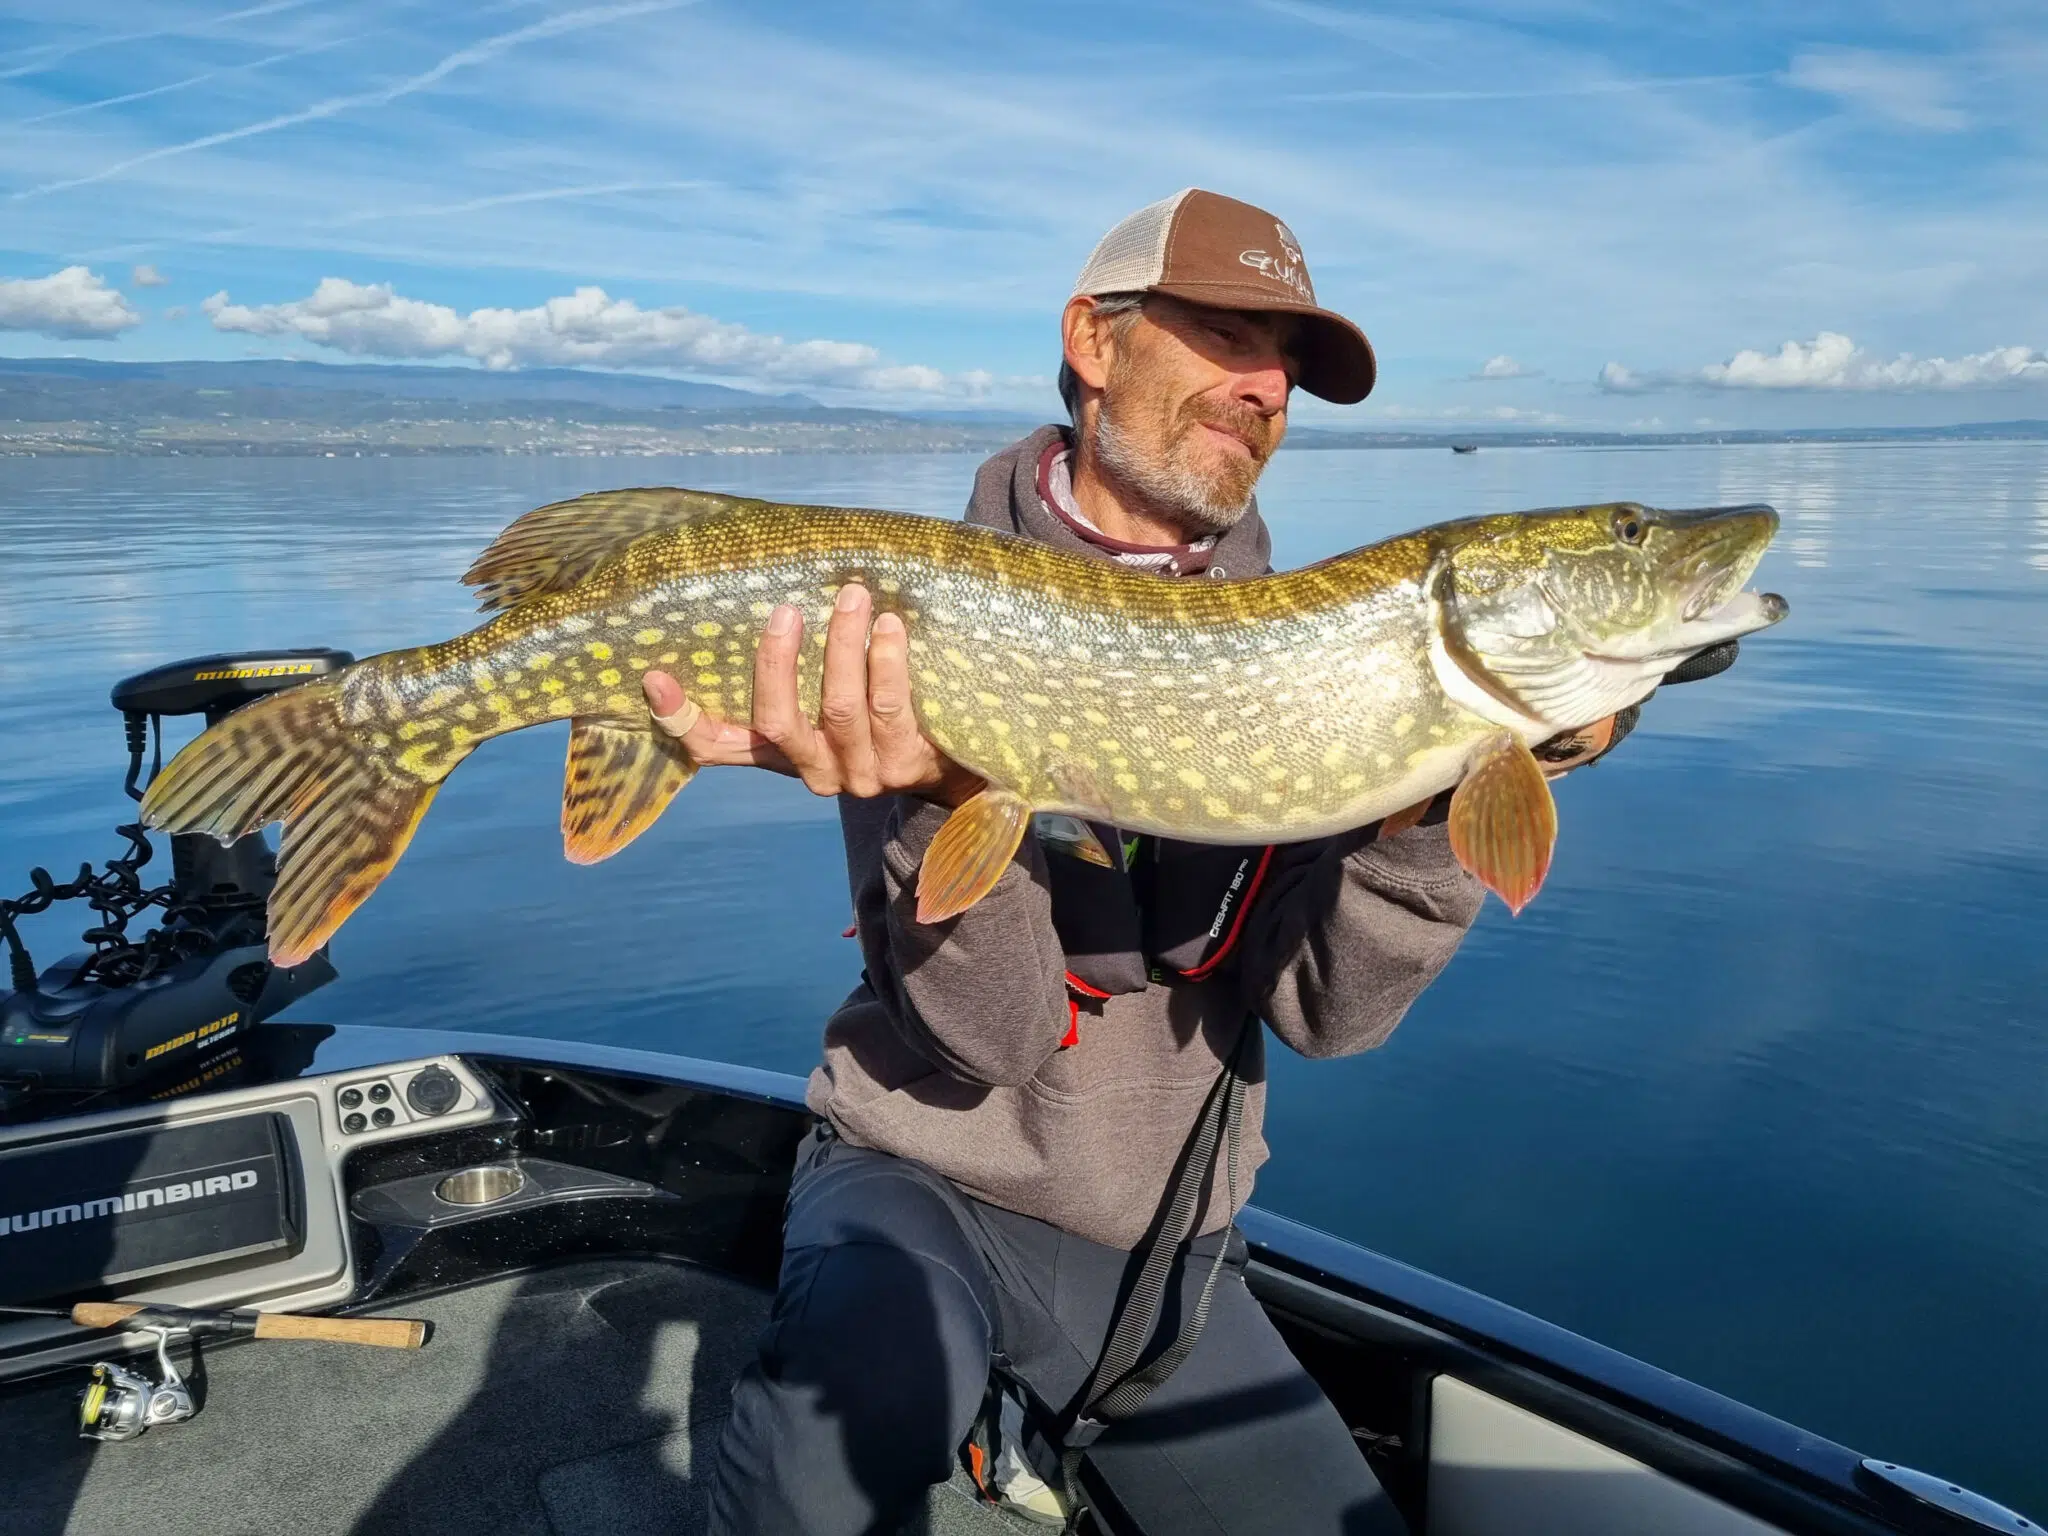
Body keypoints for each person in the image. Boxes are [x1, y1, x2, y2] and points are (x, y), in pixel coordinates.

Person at [640, 189, 1622, 1535]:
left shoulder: (1332, 657)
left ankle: (1025, 1417)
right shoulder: (916, 620)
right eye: (1225, 333)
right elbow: (986, 1041)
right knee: (832, 1462)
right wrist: (935, 789)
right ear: (1093, 342)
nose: (1265, 387)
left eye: (1287, 365)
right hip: (920, 1183)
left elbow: (1327, 1016)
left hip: (1162, 1251)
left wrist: (1431, 810)